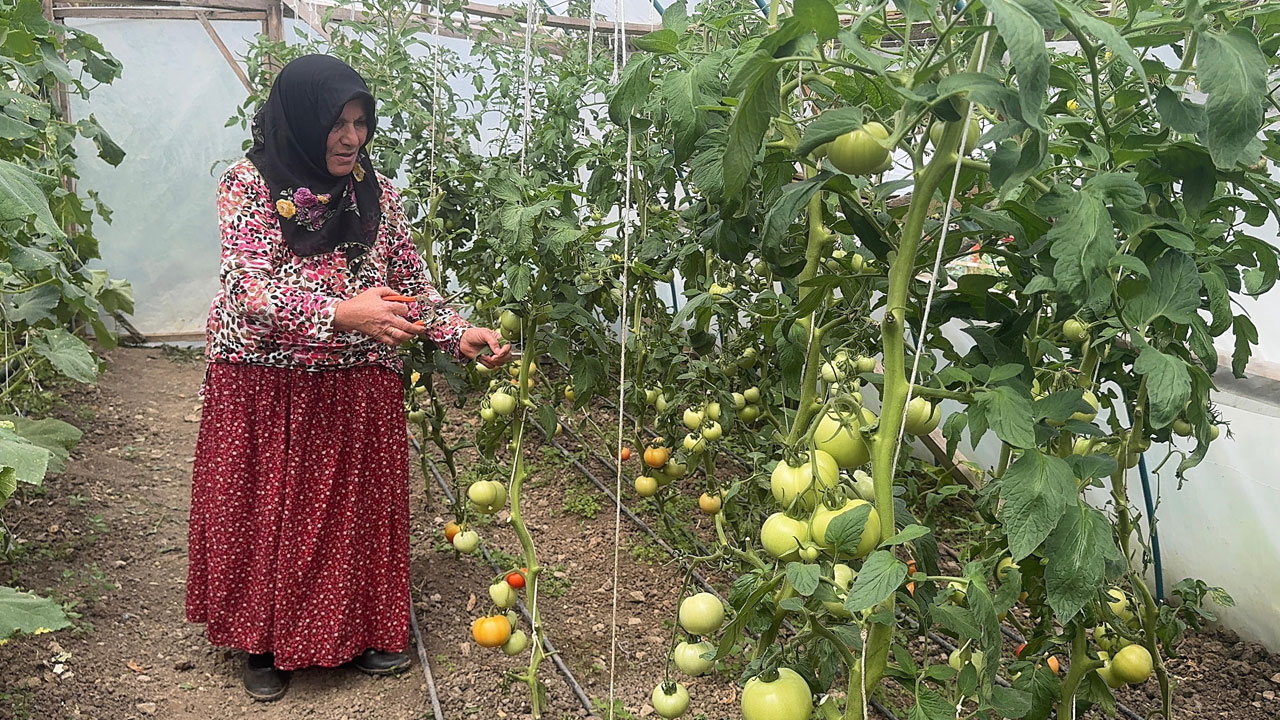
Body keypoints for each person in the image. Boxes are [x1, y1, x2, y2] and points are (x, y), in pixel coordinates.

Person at [184, 54, 511, 702]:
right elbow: (249, 289)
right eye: (337, 123)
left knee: (350, 517)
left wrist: (456, 331)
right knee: (269, 512)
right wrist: (340, 311)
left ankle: (357, 630)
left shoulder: (374, 192)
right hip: (266, 378)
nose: (351, 137)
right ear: (302, 119)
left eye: (361, 122)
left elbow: (410, 281)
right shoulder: (248, 186)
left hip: (357, 379)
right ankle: (263, 642)